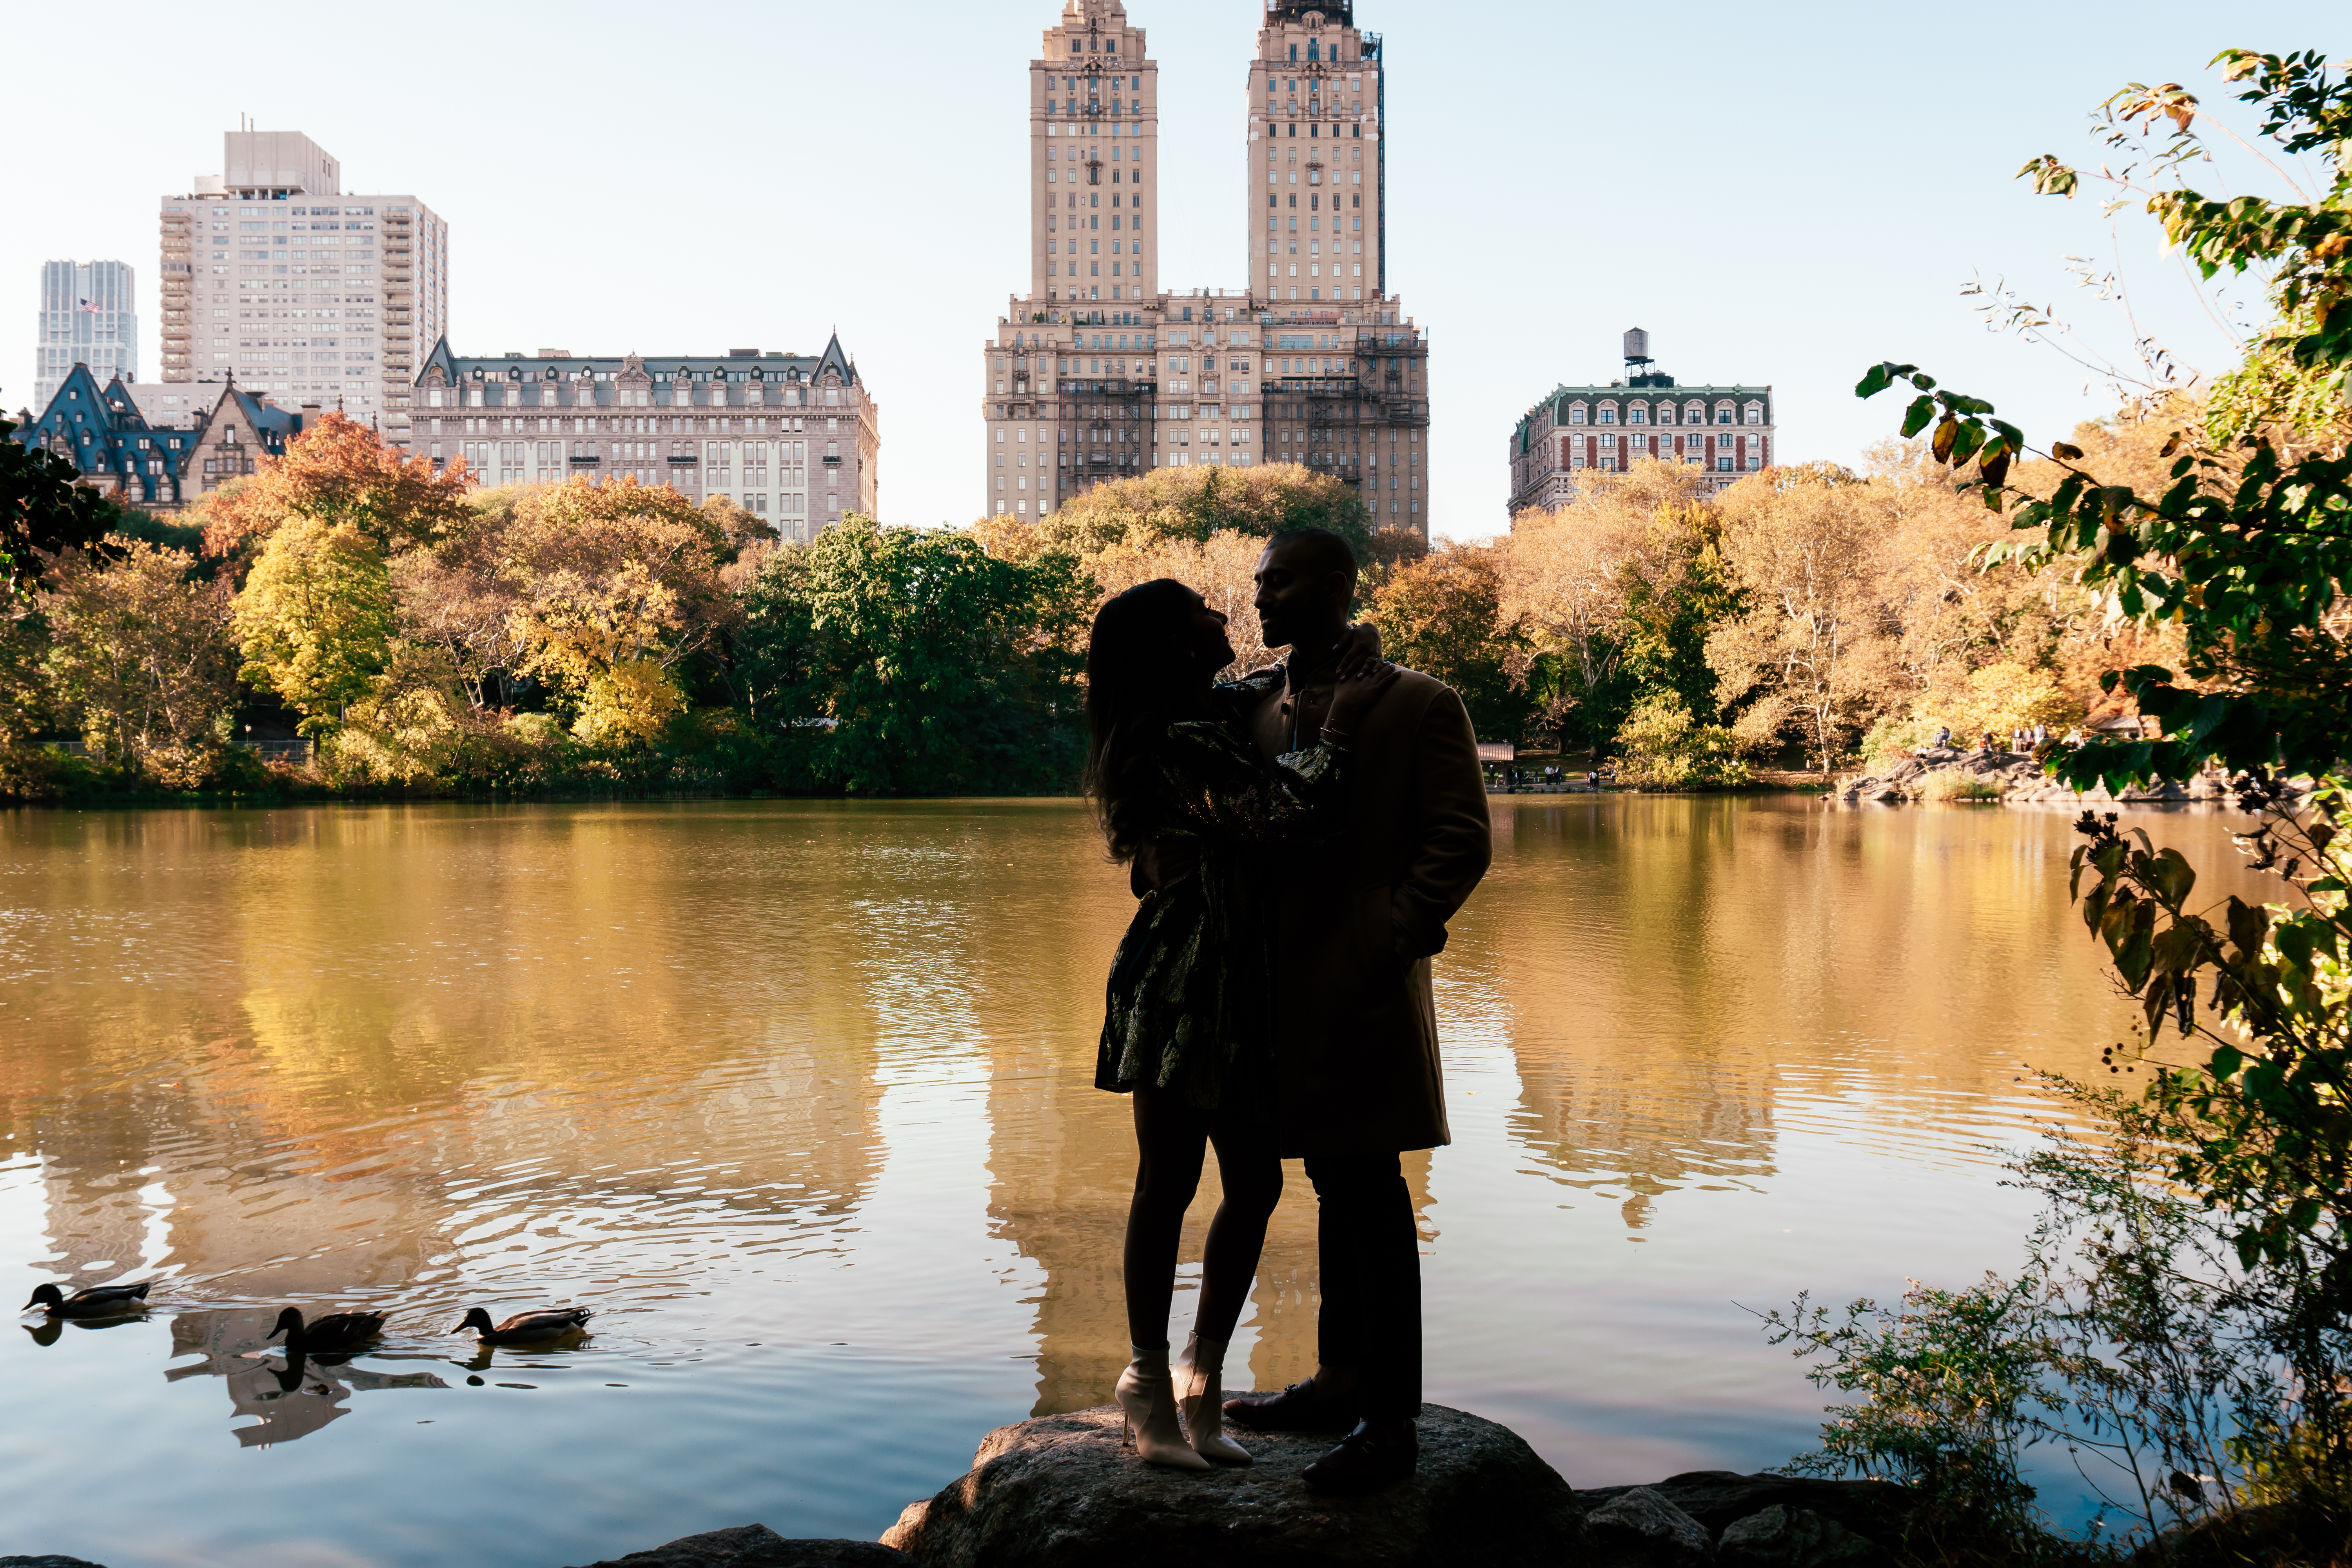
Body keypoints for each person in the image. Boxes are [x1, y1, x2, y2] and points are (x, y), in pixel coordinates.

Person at [1084, 578, 1399, 1472]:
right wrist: (1343, 726)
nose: (1224, 618)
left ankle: (1202, 1377)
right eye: (1203, 613)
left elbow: (1263, 684)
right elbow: (1282, 818)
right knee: (1168, 1183)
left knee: (1256, 1184)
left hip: (1244, 978)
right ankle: (1146, 1378)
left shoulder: (1210, 711)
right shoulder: (1174, 738)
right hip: (1181, 978)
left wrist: (1346, 651)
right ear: (1172, 644)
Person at [1221, 528, 1493, 1496]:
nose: (1262, 597)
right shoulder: (1255, 705)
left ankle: (1391, 1423)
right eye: (1259, 582)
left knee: (1373, 1193)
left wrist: (1388, 934)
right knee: (1331, 1180)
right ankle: (1340, 1379)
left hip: (1366, 983)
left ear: (1336, 587)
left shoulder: (1421, 701)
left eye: (1280, 581)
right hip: (1271, 986)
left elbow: (1460, 841)